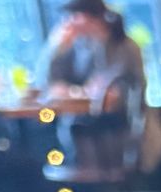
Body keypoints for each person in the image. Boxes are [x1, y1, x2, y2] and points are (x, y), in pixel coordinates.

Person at [37, 0, 146, 173]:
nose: (70, 22)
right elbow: (46, 82)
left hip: (119, 131)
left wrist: (99, 91)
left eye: (74, 16)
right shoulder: (77, 47)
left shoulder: (125, 46)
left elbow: (122, 93)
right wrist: (55, 47)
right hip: (81, 127)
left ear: (89, 17)